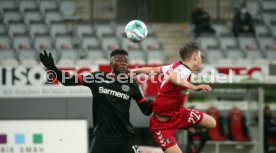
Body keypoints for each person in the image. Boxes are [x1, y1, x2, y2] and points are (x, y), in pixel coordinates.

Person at [39, 49, 153, 153]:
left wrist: (162, 100)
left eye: (126, 61)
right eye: (119, 60)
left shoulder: (133, 84)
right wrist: (53, 68)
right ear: (111, 63)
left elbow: (146, 110)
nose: (124, 63)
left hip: (125, 138)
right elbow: (68, 81)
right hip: (102, 138)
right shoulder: (97, 78)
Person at [130, 43, 216, 153]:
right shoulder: (183, 70)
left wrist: (136, 71)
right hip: (162, 126)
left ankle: (187, 128)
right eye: (200, 57)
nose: (201, 60)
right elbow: (173, 77)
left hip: (179, 115)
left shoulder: (174, 66)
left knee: (212, 123)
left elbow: (154, 69)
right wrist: (193, 87)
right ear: (195, 57)